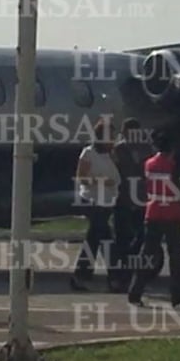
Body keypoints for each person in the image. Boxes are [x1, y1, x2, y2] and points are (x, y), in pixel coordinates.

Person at [128, 130, 180, 306]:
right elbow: (179, 189)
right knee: (175, 256)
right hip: (171, 212)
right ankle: (177, 296)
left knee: (146, 254)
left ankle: (135, 292)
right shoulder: (173, 165)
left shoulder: (149, 164)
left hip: (153, 211)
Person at [71, 117, 121, 292]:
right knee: (103, 239)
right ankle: (114, 278)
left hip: (107, 202)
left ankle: (81, 276)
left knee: (96, 239)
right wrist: (102, 181)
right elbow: (81, 177)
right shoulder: (89, 153)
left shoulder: (111, 154)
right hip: (92, 200)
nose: (112, 140)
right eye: (109, 136)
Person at [112, 118, 152, 288]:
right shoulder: (117, 150)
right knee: (121, 238)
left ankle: (133, 272)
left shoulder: (147, 149)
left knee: (142, 237)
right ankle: (121, 276)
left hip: (142, 199)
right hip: (122, 200)